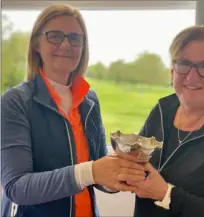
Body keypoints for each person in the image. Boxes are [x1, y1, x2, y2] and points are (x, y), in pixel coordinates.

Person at [1, 4, 146, 217]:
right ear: (36, 44)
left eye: (75, 38)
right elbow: (17, 187)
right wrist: (91, 171)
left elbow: (96, 172)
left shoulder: (89, 100)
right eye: (55, 36)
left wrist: (117, 178)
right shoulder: (15, 102)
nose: (66, 45)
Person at [129, 25, 204, 217]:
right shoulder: (162, 110)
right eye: (184, 63)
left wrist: (167, 195)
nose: (192, 76)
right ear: (173, 69)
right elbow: (138, 163)